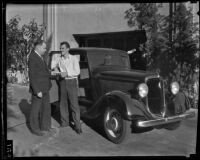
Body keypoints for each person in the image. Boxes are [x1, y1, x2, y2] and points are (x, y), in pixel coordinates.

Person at [51, 41, 82, 134]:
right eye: (60, 48)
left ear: (68, 49)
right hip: (62, 82)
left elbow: (77, 71)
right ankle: (64, 123)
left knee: (74, 104)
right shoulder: (59, 59)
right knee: (63, 103)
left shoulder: (73, 59)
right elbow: (52, 65)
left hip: (72, 81)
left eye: (63, 48)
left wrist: (67, 73)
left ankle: (78, 127)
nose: (61, 50)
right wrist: (55, 68)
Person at [28, 39, 53, 136]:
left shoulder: (39, 56)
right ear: (38, 47)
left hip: (45, 87)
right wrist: (37, 90)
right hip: (38, 89)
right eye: (44, 48)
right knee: (36, 109)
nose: (45, 50)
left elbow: (43, 71)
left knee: (46, 108)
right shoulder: (33, 57)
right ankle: (35, 129)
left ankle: (45, 126)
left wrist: (51, 73)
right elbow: (32, 75)